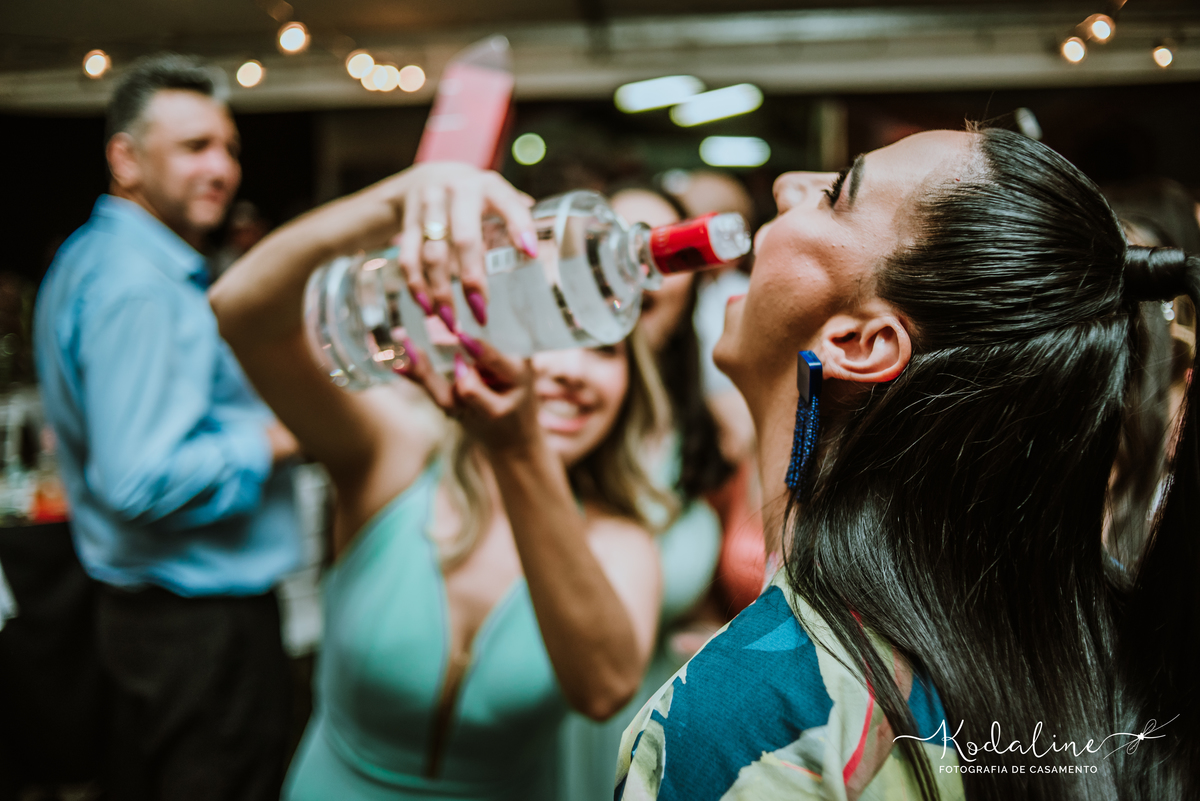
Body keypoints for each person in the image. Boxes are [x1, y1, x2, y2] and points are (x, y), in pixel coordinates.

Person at [615, 128, 1200, 800]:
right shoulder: (1108, 645)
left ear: (859, 343)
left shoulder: (743, 722)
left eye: (836, 195)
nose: (786, 186)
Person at [208, 162, 665, 800]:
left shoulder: (623, 542)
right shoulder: (395, 459)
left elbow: (603, 689)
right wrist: (402, 199)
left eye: (603, 347)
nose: (570, 369)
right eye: (545, 328)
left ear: (632, 385)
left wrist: (519, 446)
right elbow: (242, 310)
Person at [34, 54, 300, 800]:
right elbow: (137, 479)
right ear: (125, 159)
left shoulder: (96, 255)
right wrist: (283, 436)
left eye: (229, 148)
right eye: (194, 147)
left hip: (154, 615)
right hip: (196, 625)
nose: (222, 169)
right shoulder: (138, 285)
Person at [557, 186, 732, 801]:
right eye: (614, 243)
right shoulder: (550, 414)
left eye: (662, 250)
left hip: (656, 719)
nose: (636, 264)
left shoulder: (714, 428)